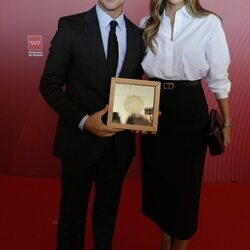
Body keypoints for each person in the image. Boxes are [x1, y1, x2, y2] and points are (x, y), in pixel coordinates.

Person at [39, 1, 143, 249]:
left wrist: (141, 114)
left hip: (118, 146)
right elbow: (49, 85)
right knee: (71, 218)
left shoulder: (139, 36)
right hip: (78, 142)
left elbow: (134, 88)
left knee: (106, 216)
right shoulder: (71, 26)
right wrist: (85, 121)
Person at [139, 0, 231, 250]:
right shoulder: (147, 24)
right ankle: (165, 239)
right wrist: (135, 113)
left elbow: (219, 78)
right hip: (153, 107)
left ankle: (180, 246)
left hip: (190, 108)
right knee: (158, 180)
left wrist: (228, 122)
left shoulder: (209, 23)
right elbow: (136, 74)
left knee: (185, 185)